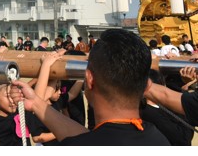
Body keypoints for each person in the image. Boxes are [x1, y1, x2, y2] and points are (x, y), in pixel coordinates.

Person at [17, 29, 168, 145]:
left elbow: (88, 140)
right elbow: (88, 136)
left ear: (90, 79)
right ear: (146, 85)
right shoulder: (159, 139)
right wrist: (36, 103)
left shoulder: (81, 145)